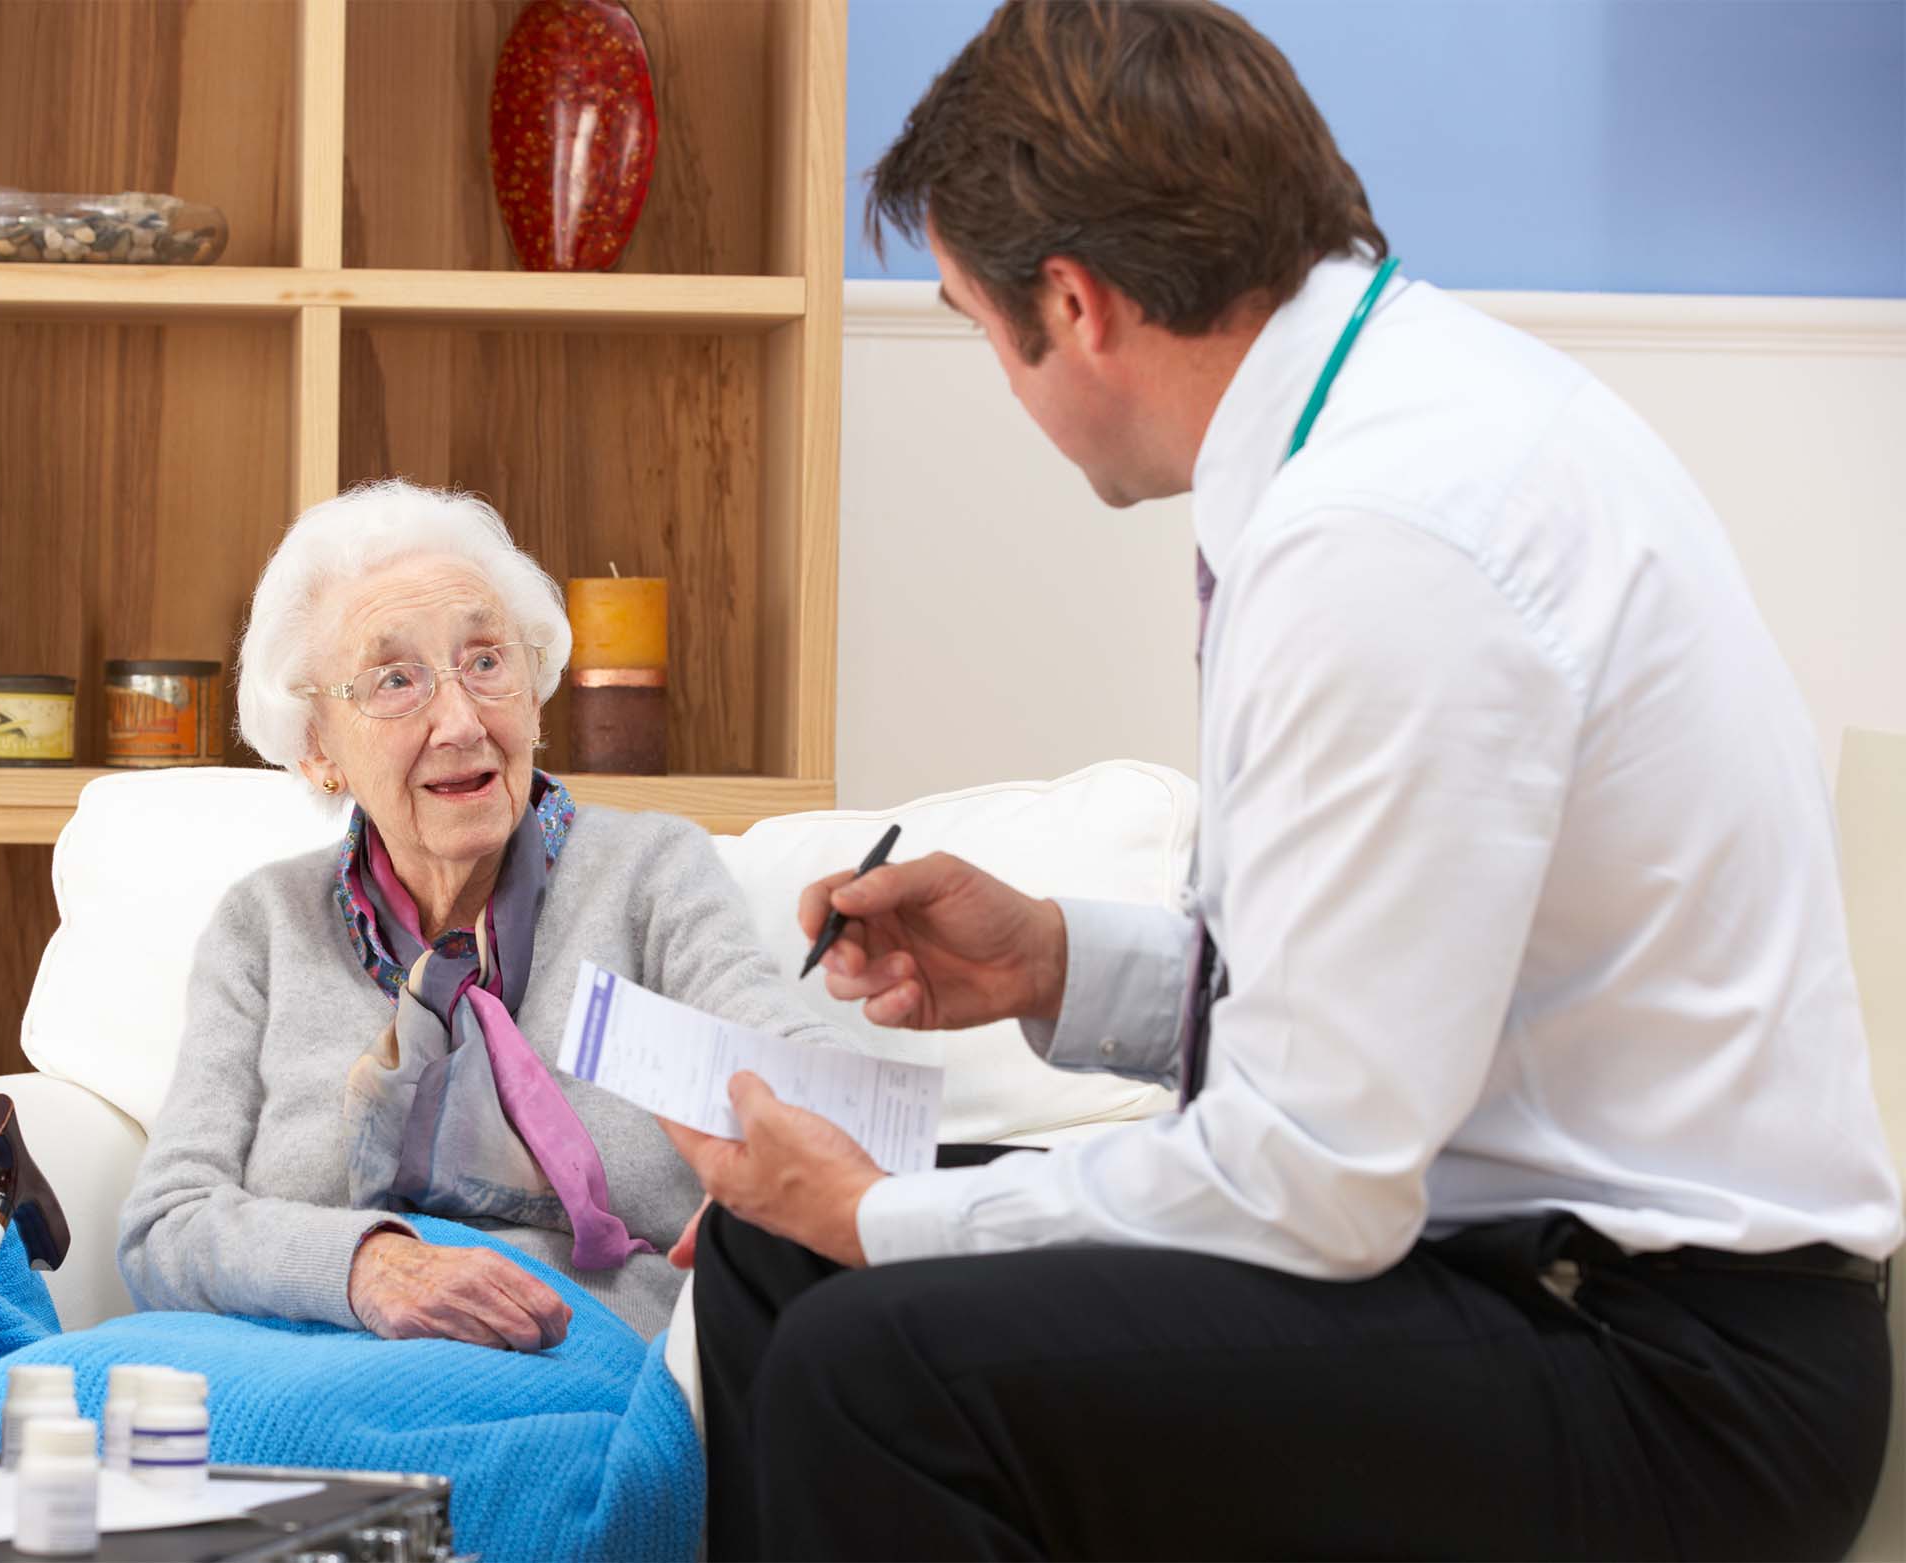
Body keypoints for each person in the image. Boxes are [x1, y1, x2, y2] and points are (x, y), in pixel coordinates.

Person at [656, 4, 1904, 1558]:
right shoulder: (1378, 426)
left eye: (982, 329)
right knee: (787, 1263)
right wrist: (1058, 958)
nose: (997, 371)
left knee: (878, 1357)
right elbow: (1376, 994)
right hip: (1520, 1274)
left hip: (1674, 1372)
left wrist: (874, 1209)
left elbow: (1313, 1176)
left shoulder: (1391, 533)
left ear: (1076, 302)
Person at [118, 478, 855, 1346]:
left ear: (536, 690)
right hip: (303, 1345)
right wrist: (368, 1266)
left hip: (566, 1349)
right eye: (397, 680)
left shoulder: (649, 875)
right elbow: (165, 1225)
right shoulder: (266, 926)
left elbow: (793, 1080)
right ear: (319, 748)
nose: (461, 720)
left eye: (487, 662)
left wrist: (810, 1144)